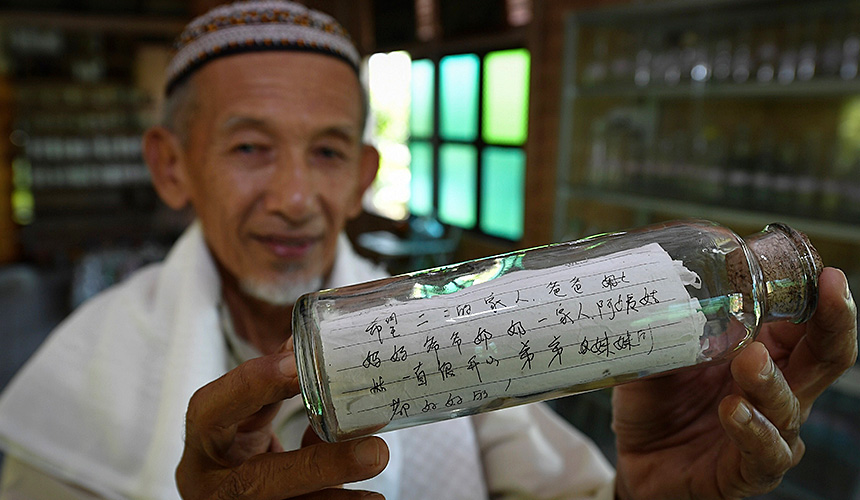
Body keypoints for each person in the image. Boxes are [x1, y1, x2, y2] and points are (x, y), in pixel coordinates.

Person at [0, 1, 856, 499]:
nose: (298, 198)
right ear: (172, 165)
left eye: (330, 151)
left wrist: (640, 496)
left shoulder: (466, 332)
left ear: (366, 169)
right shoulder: (79, 383)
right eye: (250, 148)